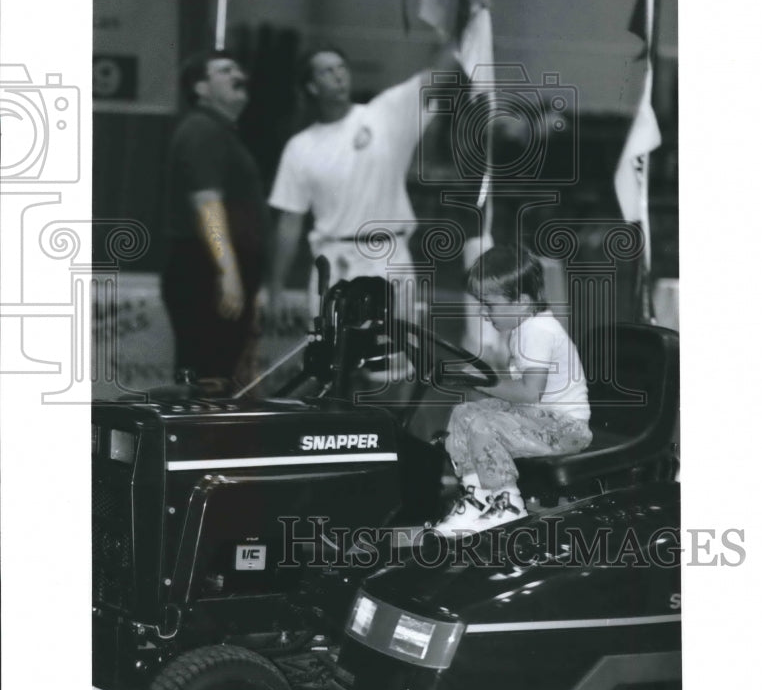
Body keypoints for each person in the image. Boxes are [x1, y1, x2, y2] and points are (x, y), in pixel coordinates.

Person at [265, 40, 461, 326]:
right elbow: (289, 222)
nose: (338, 75)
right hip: (335, 264)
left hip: (390, 258)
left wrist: (465, 27)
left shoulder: (385, 114)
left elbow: (438, 75)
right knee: (333, 353)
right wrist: (275, 289)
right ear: (311, 87)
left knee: (395, 352)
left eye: (341, 67)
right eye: (327, 71)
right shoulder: (300, 147)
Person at [433, 244, 592, 536]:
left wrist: (480, 382)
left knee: (483, 425)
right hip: (541, 418)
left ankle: (507, 503)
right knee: (463, 414)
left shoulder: (537, 331)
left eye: (489, 305)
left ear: (521, 302)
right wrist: (474, 378)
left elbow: (529, 393)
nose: (483, 313)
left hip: (567, 428)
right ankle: (477, 498)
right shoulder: (523, 327)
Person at [161, 49, 267, 382]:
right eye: (225, 70)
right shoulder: (202, 130)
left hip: (214, 268)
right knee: (208, 381)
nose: (239, 75)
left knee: (217, 378)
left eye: (238, 68)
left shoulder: (221, 132)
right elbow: (207, 206)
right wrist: (228, 271)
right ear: (201, 88)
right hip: (205, 270)